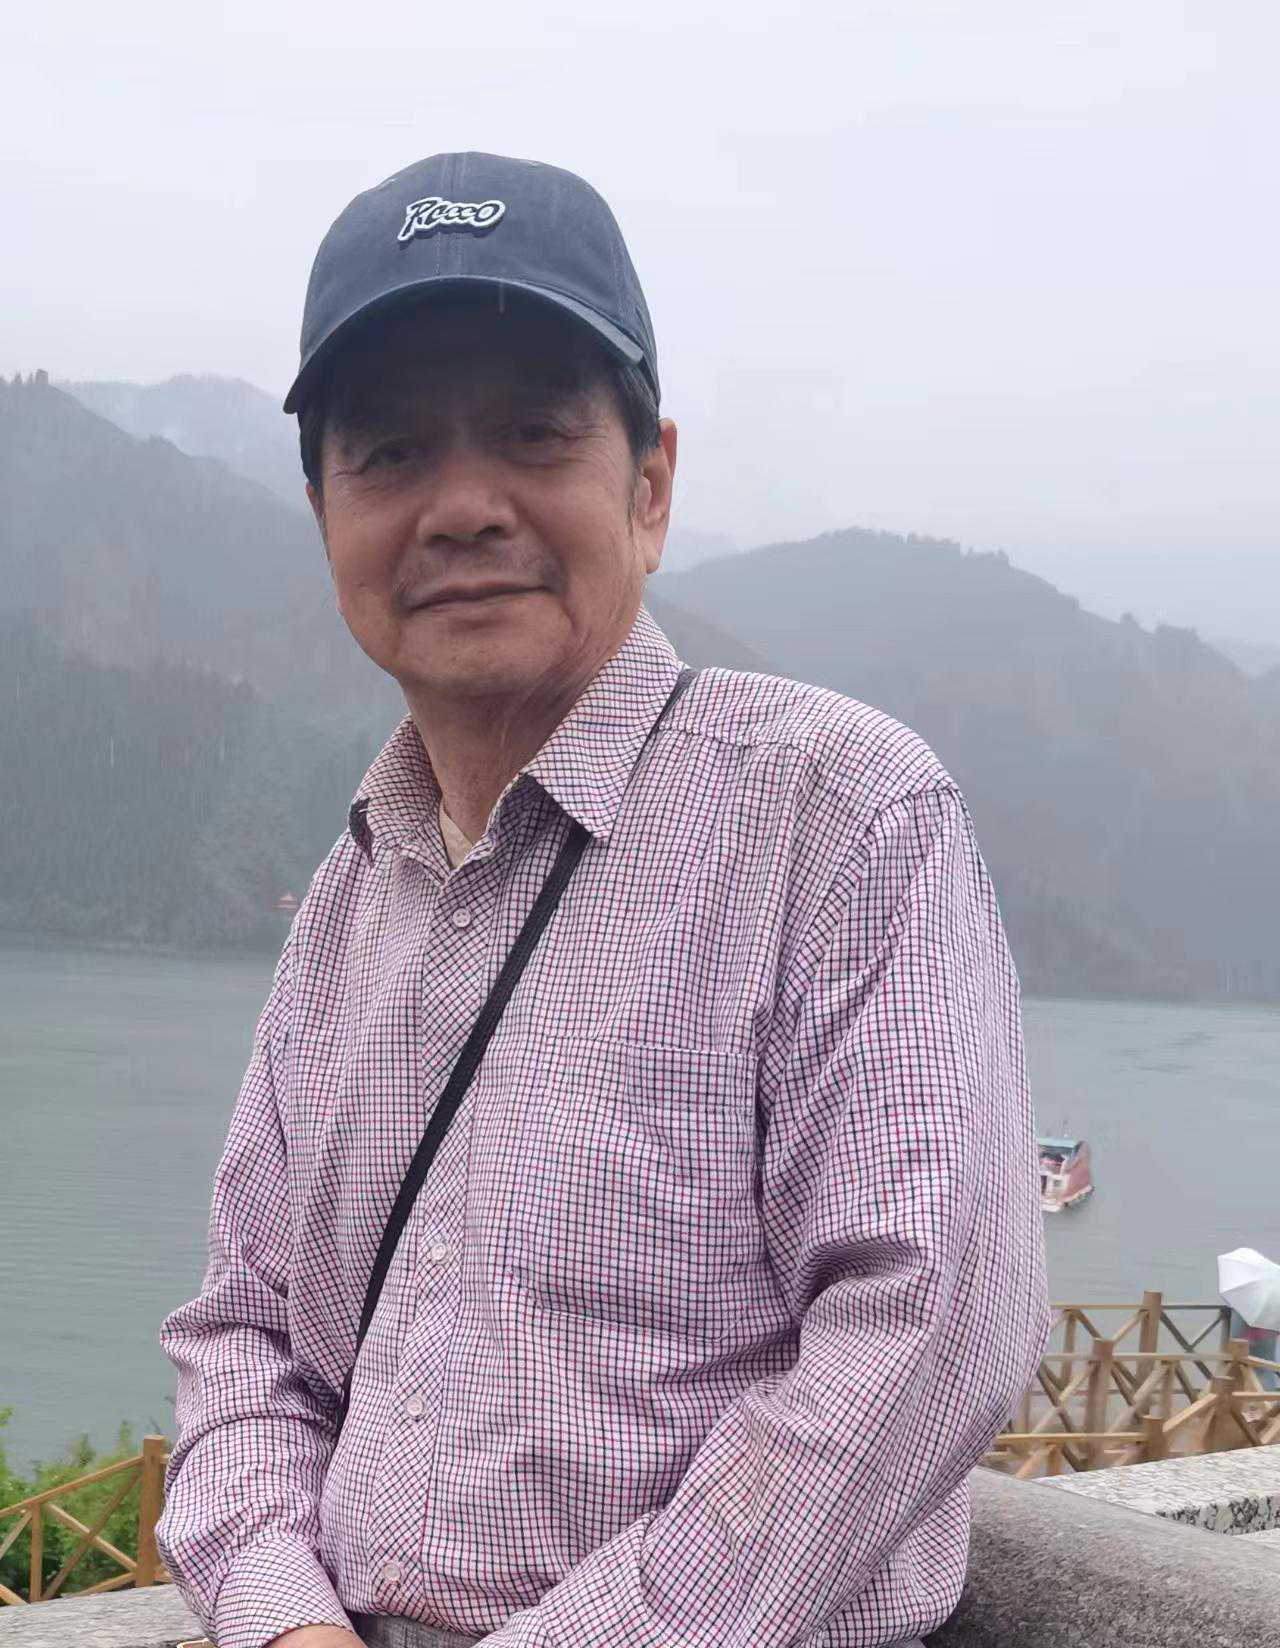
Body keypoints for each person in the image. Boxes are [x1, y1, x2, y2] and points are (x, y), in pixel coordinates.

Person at [155, 150, 1053, 1648]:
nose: (461, 507)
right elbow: (243, 1338)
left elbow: (926, 1327)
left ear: (649, 485)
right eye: (389, 452)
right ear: (322, 513)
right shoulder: (352, 896)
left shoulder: (837, 814)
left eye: (531, 432)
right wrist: (287, 1623)